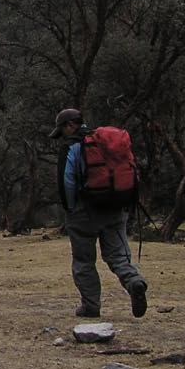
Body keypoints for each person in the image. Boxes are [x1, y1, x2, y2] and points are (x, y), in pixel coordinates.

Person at [50, 108, 147, 319]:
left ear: (70, 125)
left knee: (84, 261)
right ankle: (134, 282)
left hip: (84, 211)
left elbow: (67, 181)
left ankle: (91, 306)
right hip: (116, 207)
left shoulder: (73, 146)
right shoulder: (106, 142)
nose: (62, 136)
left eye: (62, 131)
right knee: (118, 256)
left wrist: (70, 208)